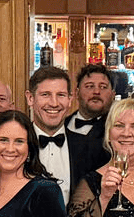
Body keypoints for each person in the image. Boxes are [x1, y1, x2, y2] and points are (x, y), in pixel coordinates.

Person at [25, 65, 87, 198]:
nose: (54, 103)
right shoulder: (16, 145)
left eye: (61, 95)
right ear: (30, 98)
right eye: (45, 95)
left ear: (70, 99)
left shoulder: (88, 147)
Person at [66, 63, 118, 174]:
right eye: (89, 86)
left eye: (103, 87)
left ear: (113, 95)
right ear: (77, 93)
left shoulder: (118, 131)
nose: (96, 92)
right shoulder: (60, 126)